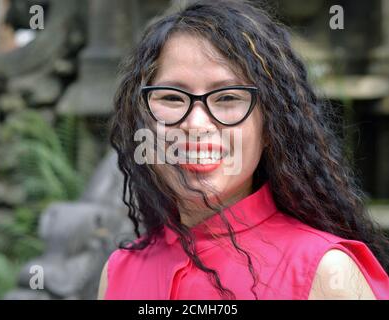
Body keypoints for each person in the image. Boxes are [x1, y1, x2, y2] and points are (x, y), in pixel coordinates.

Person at [98, 0, 389, 300]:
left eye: (227, 98)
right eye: (172, 98)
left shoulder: (325, 272)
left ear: (269, 127)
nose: (196, 125)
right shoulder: (119, 272)